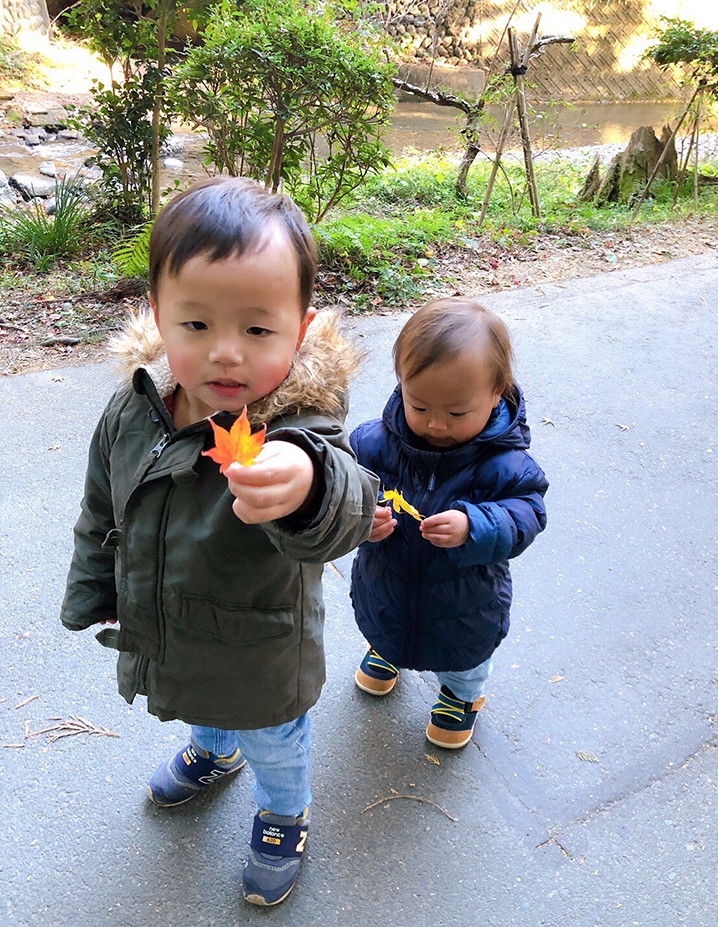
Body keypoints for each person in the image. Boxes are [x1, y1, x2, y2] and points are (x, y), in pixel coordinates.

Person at [60, 177, 378, 906]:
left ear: (298, 330)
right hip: (173, 631)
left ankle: (283, 810)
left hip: (261, 649)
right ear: (159, 317)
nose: (226, 354)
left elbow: (351, 500)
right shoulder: (133, 409)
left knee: (275, 738)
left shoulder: (298, 428)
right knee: (200, 705)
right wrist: (98, 588)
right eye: (197, 325)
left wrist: (308, 483)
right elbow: (100, 503)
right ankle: (214, 749)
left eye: (258, 330)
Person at [349, 297, 548, 749]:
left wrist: (474, 524)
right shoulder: (371, 443)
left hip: (464, 600)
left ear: (497, 392)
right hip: (387, 580)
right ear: (402, 385)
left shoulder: (506, 463)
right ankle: (387, 651)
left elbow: (527, 513)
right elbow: (346, 488)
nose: (436, 424)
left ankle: (461, 696)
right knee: (383, 621)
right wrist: (363, 517)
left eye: (457, 413)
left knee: (464, 655)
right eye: (419, 406)